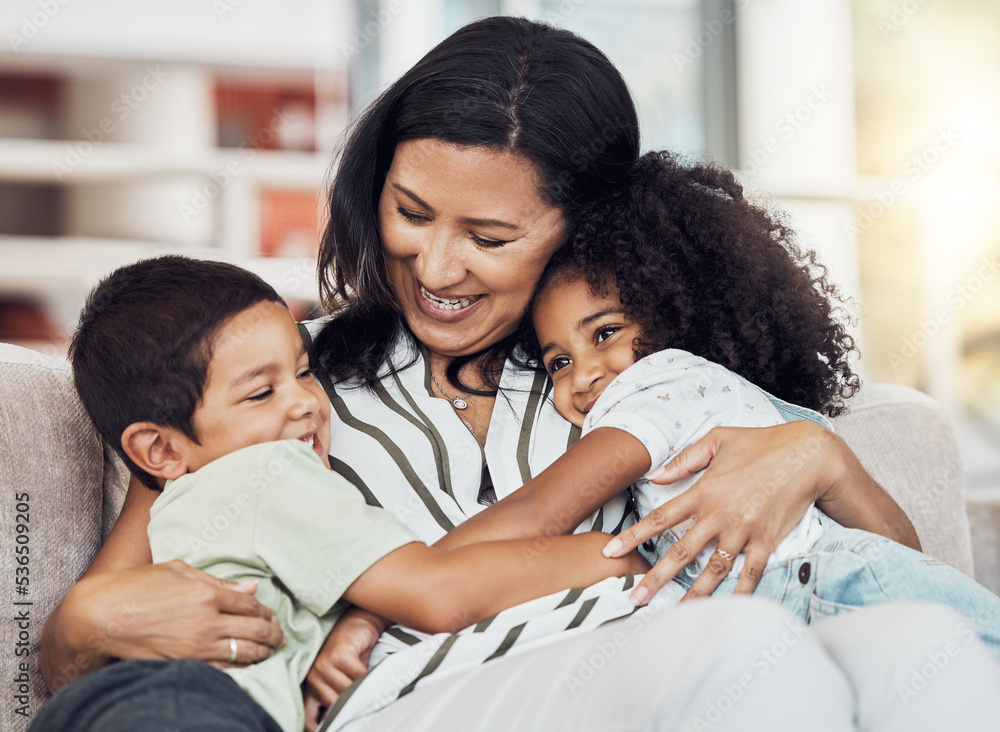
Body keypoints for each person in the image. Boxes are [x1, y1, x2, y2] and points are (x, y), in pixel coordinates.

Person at [38, 16, 1000, 731]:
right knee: (739, 646)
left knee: (928, 649)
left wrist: (816, 456)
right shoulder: (286, 383)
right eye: (412, 211)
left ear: (578, 230)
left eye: (490, 236)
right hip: (417, 701)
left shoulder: (627, 368)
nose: (437, 266)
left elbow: (900, 573)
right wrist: (85, 621)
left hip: (657, 672)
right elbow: (97, 620)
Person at [30, 255, 648, 732]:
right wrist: (606, 554)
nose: (306, 401)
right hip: (181, 708)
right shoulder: (268, 472)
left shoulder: (202, 488)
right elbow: (436, 591)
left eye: (303, 372)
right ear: (159, 452)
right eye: (260, 393)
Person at [517, 150, 1000, 658]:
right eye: (558, 363)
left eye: (606, 333)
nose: (585, 373)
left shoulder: (699, 402)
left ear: (682, 317)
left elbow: (903, 564)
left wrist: (823, 459)